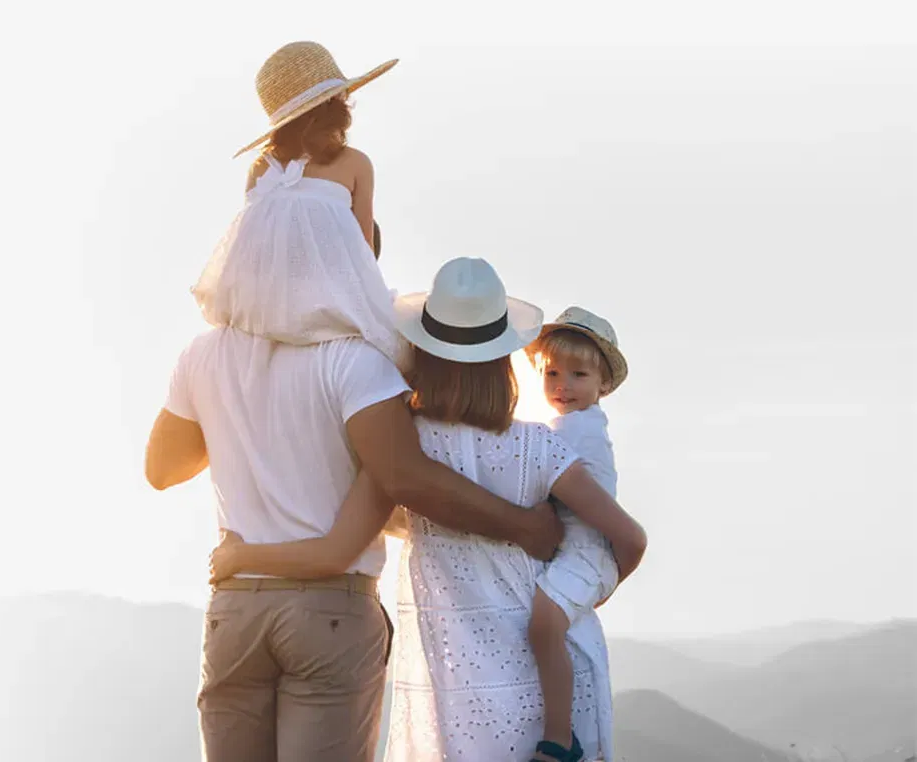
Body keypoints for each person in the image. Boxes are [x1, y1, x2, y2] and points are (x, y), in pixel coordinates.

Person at [207, 258, 647, 762]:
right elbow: (629, 538)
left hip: (460, 699)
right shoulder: (543, 450)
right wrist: (585, 595)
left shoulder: (405, 453)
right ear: (506, 358)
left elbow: (348, 542)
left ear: (421, 352)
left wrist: (242, 555)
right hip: (553, 696)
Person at [191, 41, 410, 372]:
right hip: (333, 305)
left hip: (265, 311)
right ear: (336, 105)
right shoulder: (355, 164)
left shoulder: (260, 170)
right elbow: (363, 255)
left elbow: (260, 249)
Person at [524, 306, 631, 761]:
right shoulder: (567, 426)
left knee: (544, 624)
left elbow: (576, 496)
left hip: (587, 550)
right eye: (551, 373)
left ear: (603, 384)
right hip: (577, 548)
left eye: (578, 374)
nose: (562, 386)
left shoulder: (580, 431)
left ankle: (559, 738)